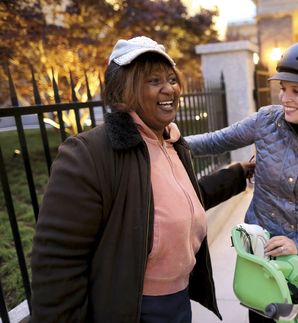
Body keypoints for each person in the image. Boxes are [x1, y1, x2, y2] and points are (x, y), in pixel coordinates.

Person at [30, 36, 254, 323]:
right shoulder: (89, 154)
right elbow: (57, 263)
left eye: (171, 79)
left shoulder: (171, 142)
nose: (169, 88)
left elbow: (180, 202)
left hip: (178, 300)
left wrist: (239, 173)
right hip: (134, 308)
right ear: (123, 92)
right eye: (153, 81)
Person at [185, 41, 298, 322]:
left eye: (297, 91)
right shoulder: (266, 120)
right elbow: (216, 141)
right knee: (264, 316)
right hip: (261, 254)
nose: (285, 98)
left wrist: (297, 244)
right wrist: (170, 139)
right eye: (283, 88)